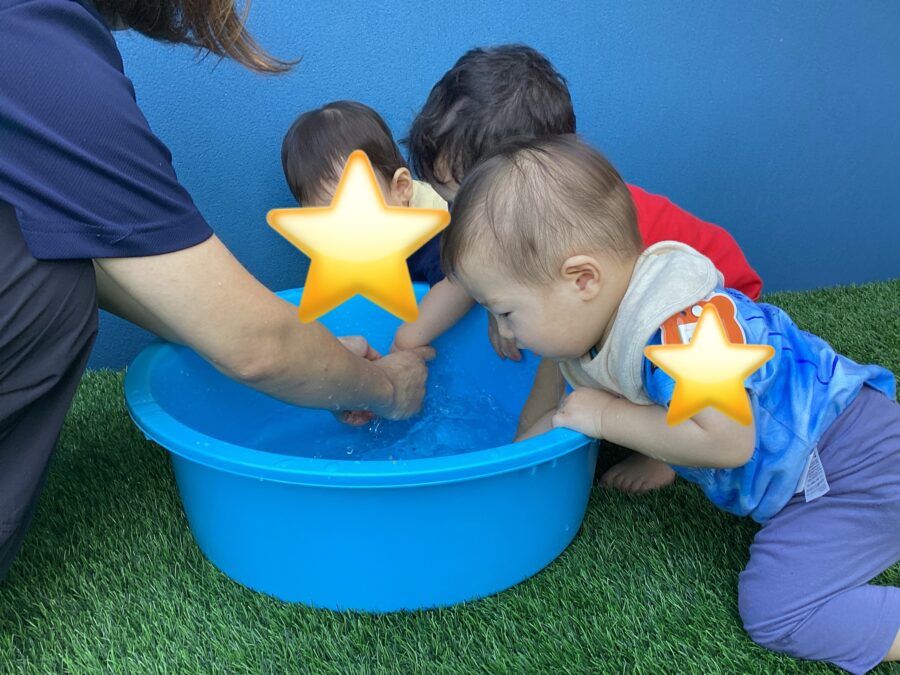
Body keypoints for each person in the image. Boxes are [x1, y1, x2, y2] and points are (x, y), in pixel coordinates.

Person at [0, 0, 432, 581]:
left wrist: (321, 357)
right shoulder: (44, 57)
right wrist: (387, 389)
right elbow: (256, 347)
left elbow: (95, 264)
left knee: (53, 269)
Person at [440, 134, 899, 673]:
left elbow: (729, 442)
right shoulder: (587, 326)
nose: (502, 332)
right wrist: (498, 477)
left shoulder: (679, 334)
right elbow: (550, 413)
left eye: (505, 312)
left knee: (776, 611)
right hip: (834, 461)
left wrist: (606, 417)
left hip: (853, 467)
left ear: (582, 279)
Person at [391, 44, 763, 494]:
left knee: (631, 357)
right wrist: (409, 340)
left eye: (466, 204)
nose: (459, 220)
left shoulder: (604, 242)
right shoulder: (522, 231)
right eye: (452, 203)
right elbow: (464, 281)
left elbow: (576, 354)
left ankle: (664, 451)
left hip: (712, 302)